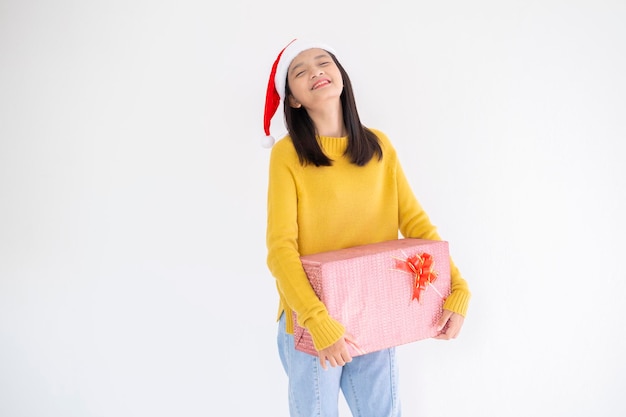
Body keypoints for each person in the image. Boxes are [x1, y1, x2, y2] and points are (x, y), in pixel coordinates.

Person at [262, 38, 471, 417]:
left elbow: (417, 226)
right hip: (309, 319)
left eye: (323, 62)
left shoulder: (379, 147)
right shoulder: (287, 155)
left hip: (373, 312)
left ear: (340, 75)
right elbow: (280, 250)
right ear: (292, 98)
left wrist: (458, 287)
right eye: (300, 71)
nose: (316, 72)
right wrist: (317, 321)